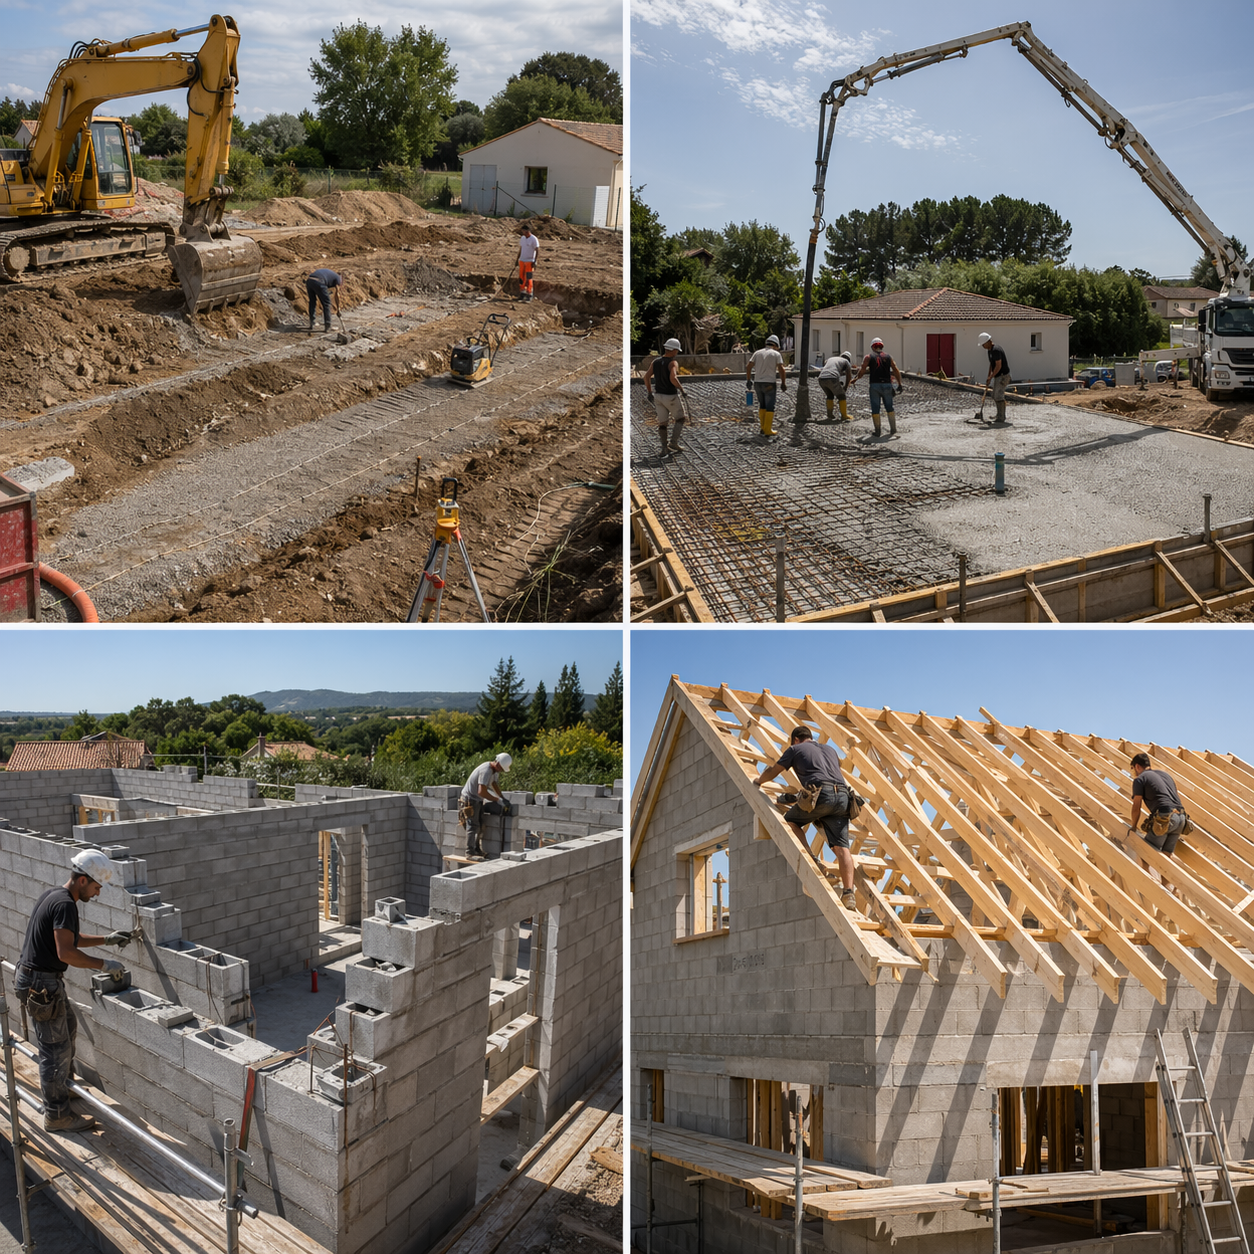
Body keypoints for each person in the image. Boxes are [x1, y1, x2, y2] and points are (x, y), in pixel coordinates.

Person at [15, 849, 132, 1133]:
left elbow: (71, 938)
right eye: (96, 886)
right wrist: (104, 963)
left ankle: (61, 1088)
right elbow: (66, 952)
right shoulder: (66, 904)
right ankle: (56, 1114)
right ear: (82, 881)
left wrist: (107, 938)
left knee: (67, 1028)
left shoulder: (55, 896)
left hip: (42, 981)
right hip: (42, 984)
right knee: (55, 1050)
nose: (98, 893)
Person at [753, 726, 856, 911]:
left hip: (821, 795)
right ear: (810, 737)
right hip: (843, 797)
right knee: (843, 849)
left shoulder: (795, 749)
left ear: (795, 739)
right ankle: (849, 894)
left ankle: (812, 857)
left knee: (790, 821)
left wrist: (759, 781)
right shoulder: (830, 749)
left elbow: (774, 770)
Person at [1128, 752, 1190, 859]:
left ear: (1137, 766)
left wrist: (1133, 827)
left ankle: (1146, 875)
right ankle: (1165, 877)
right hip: (1181, 819)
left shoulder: (1140, 779)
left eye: (1133, 768)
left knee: (1146, 855)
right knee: (1166, 857)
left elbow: (1136, 807)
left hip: (1165, 818)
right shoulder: (1166, 775)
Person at [459, 752, 513, 858]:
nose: (501, 771)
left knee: (480, 824)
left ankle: (477, 849)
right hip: (469, 799)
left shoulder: (494, 771)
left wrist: (502, 797)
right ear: (498, 764)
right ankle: (469, 851)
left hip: (477, 799)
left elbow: (494, 784)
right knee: (473, 825)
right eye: (501, 768)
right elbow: (481, 792)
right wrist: (496, 799)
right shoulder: (486, 770)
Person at [643, 338, 688, 458]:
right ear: (673, 350)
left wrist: (649, 392)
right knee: (680, 419)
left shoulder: (656, 362)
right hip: (671, 396)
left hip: (658, 396)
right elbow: (673, 378)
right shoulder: (673, 363)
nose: (677, 353)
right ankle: (673, 443)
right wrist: (682, 390)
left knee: (662, 423)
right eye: (677, 351)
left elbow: (646, 377)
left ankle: (664, 448)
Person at [852, 337, 903, 437]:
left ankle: (878, 431)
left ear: (872, 347)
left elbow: (862, 370)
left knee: (876, 408)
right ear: (881, 346)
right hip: (887, 384)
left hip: (874, 385)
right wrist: (899, 384)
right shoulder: (889, 357)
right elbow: (896, 369)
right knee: (889, 407)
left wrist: (856, 379)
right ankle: (893, 429)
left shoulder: (868, 357)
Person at [746, 334, 787, 439]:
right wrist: (783, 383)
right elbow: (781, 369)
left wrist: (748, 380)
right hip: (769, 383)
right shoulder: (776, 354)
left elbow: (748, 366)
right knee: (770, 406)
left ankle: (763, 427)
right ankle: (768, 429)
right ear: (776, 345)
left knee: (762, 405)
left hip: (757, 383)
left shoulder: (757, 353)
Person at [978, 332, 1011, 423]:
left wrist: (991, 376)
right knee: (994, 395)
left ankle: (1001, 417)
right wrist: (989, 376)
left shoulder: (996, 350)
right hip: (998, 375)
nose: (983, 347)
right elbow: (992, 365)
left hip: (1003, 376)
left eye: (983, 344)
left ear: (988, 342)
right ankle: (999, 415)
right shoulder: (990, 350)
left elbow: (998, 366)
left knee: (998, 395)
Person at [817, 350, 854, 421]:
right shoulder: (846, 362)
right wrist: (845, 388)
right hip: (832, 378)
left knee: (830, 395)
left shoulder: (831, 359)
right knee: (841, 396)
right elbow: (849, 377)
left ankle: (830, 415)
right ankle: (844, 415)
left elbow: (826, 364)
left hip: (821, 379)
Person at [306, 268, 344, 334]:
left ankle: (312, 323)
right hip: (319, 282)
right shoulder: (338, 278)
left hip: (309, 281)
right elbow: (337, 294)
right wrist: (338, 308)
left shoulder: (331, 274)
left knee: (312, 301)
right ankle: (328, 326)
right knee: (326, 304)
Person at [517, 225, 539, 302]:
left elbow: (537, 250)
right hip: (522, 260)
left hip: (530, 261)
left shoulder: (534, 239)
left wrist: (535, 261)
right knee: (521, 277)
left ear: (527, 231)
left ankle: (529, 294)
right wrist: (517, 259)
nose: (523, 232)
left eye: (524, 231)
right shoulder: (522, 238)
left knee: (528, 278)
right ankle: (522, 293)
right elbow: (521, 249)